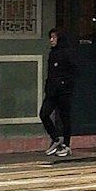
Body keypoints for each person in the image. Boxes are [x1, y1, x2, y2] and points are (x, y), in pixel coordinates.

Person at [39, 27, 77, 158]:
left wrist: (64, 84)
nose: (51, 40)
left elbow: (74, 71)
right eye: (51, 37)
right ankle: (56, 139)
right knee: (44, 114)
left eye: (54, 37)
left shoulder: (68, 53)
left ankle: (66, 145)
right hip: (51, 91)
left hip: (64, 91)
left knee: (65, 118)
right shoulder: (52, 53)